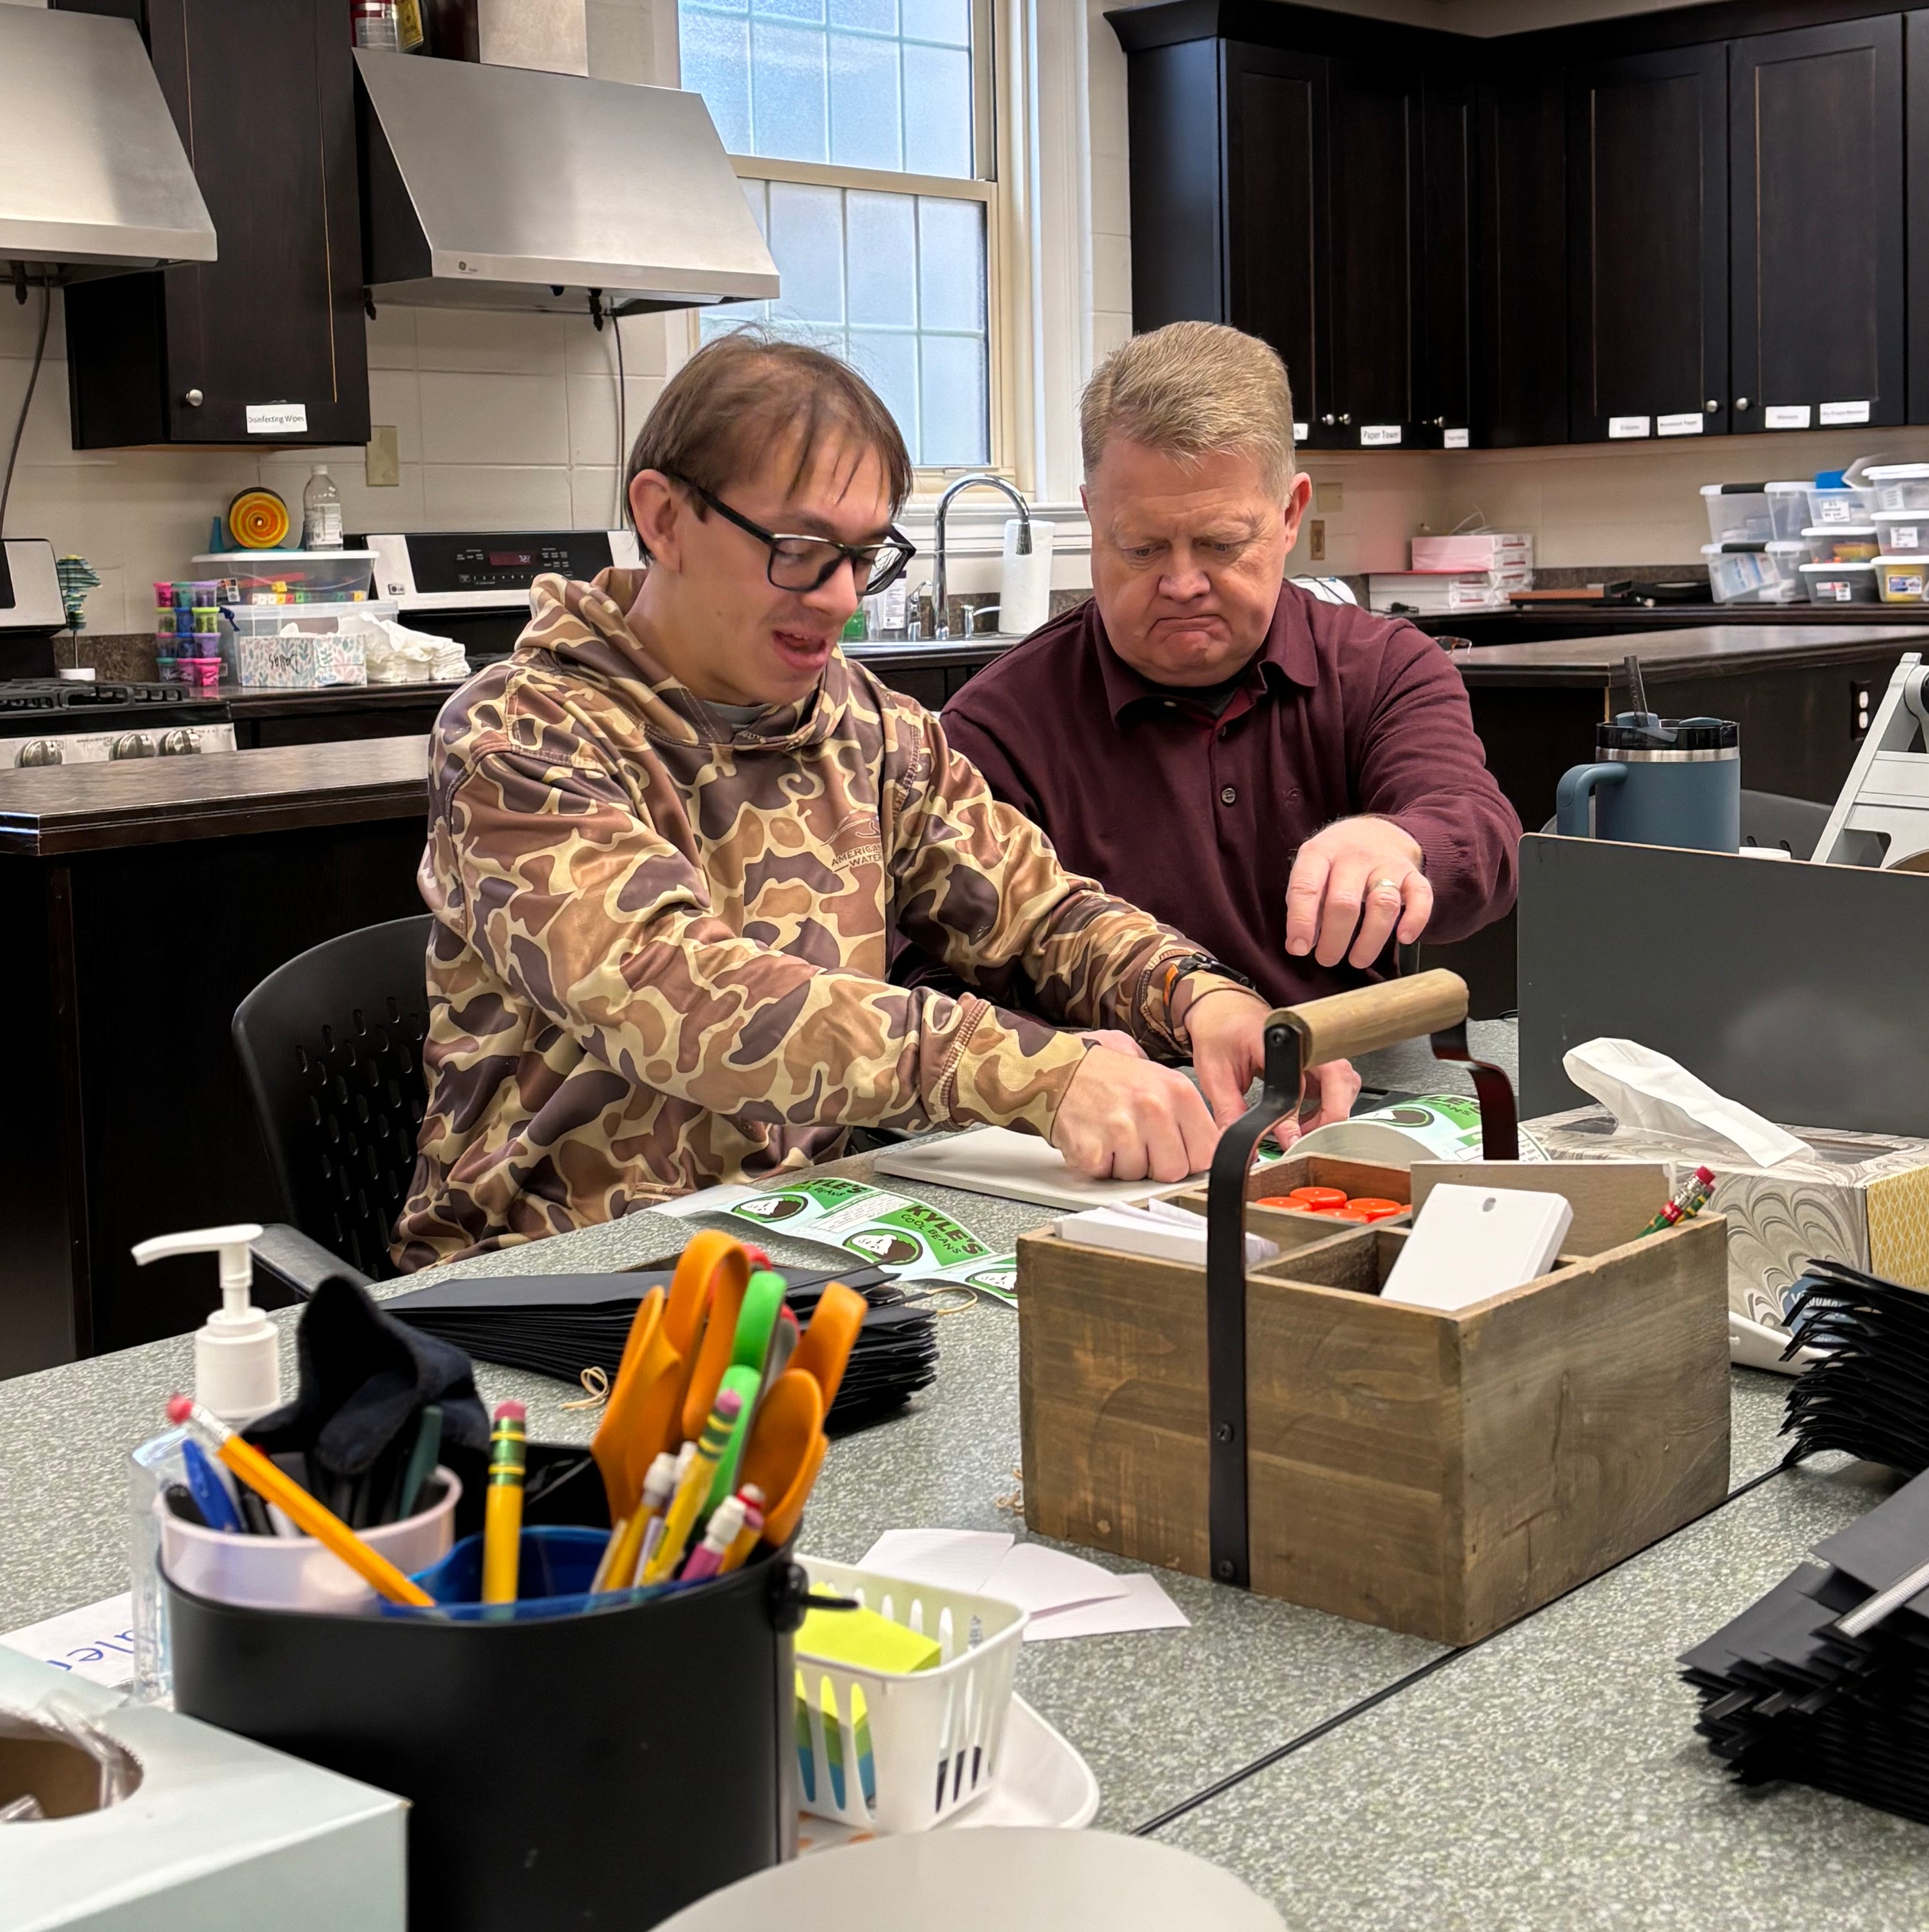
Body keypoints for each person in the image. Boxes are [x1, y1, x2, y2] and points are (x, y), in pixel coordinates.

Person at [395, 333, 1285, 1258]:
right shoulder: (519, 736)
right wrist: (1036, 1075)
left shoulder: (868, 726)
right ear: (662, 519)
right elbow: (677, 995)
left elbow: (1036, 912)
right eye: (802, 550)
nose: (840, 599)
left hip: (804, 1240)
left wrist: (1201, 998)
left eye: (864, 556)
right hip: (549, 1276)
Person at [938, 322, 1520, 1120]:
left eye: (1219, 542)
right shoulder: (997, 728)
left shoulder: (1382, 668)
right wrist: (1037, 1056)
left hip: (1351, 1108)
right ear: (1090, 516)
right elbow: (927, 969)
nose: (1183, 583)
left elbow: (1481, 835)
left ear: (1290, 513)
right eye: (1141, 547)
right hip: (1110, 1129)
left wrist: (1400, 842)